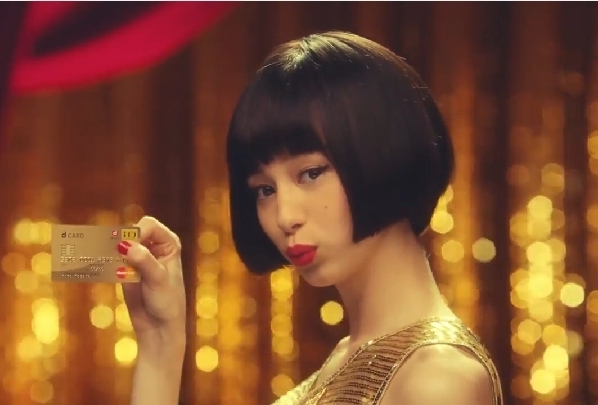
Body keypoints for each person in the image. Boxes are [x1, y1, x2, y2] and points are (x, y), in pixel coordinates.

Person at [117, 31, 503, 405]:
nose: (285, 217)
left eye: (311, 173)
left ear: (385, 153)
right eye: (264, 190)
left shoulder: (437, 379)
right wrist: (160, 342)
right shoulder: (348, 360)